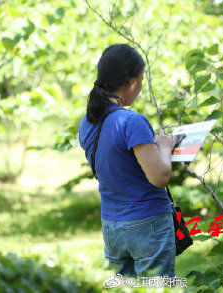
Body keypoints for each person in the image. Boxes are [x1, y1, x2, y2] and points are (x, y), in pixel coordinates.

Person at [78, 44, 176, 277]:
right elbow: (159, 177)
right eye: (141, 81)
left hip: (112, 226)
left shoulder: (88, 121)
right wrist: (164, 148)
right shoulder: (132, 122)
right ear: (132, 82)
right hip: (147, 224)